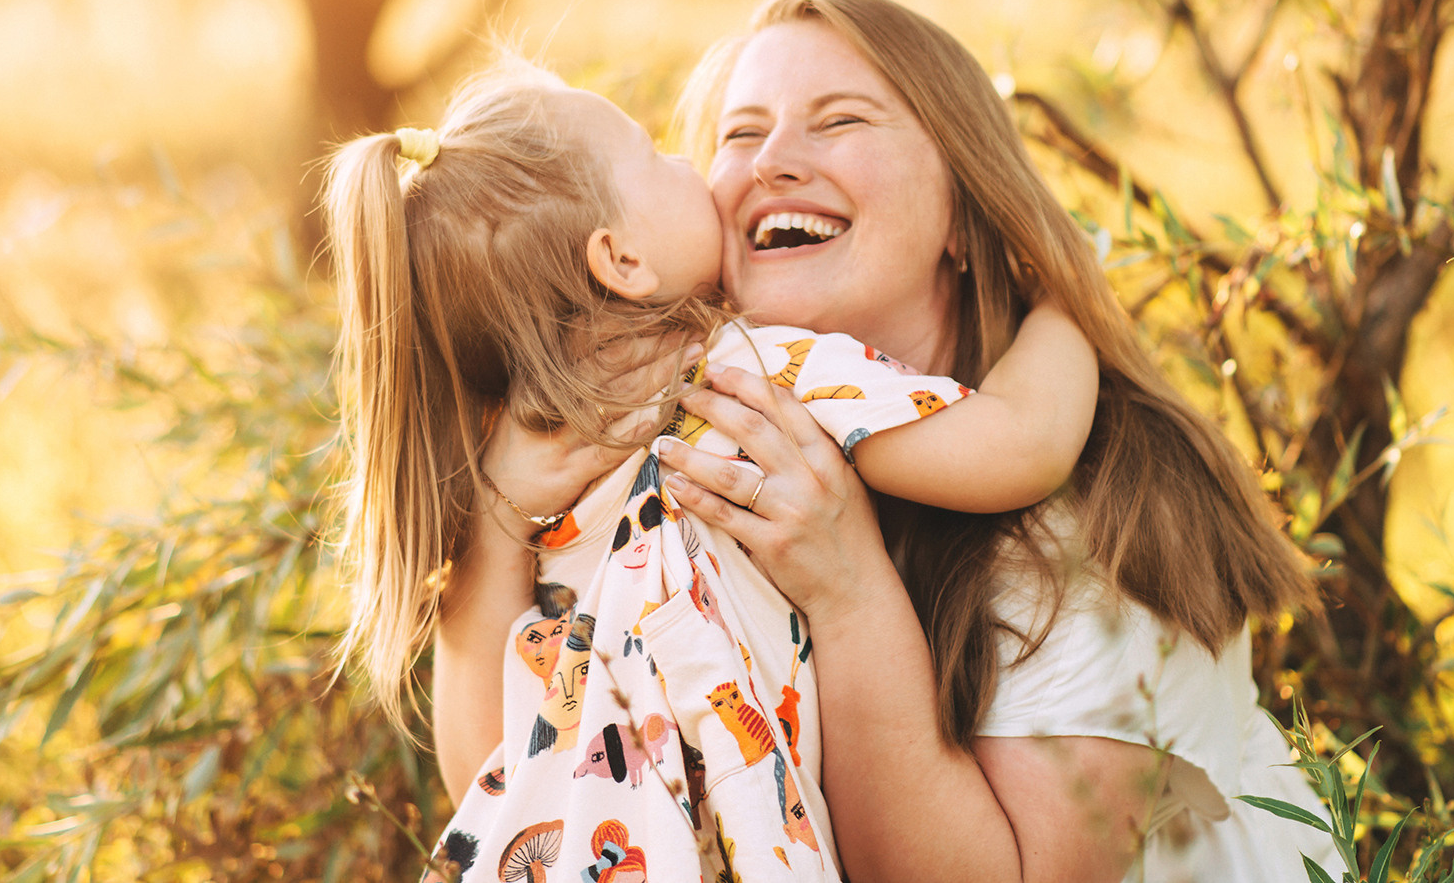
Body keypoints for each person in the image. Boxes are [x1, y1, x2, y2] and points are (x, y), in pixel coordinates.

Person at [320, 60, 1101, 881]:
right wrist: (1065, 299)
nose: (689, 165)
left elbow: (490, 776)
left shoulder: (542, 486)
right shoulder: (748, 370)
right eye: (655, 156)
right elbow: (1016, 445)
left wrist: (492, 517)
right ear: (620, 261)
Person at [644, 0, 1343, 881]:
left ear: (964, 220)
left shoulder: (1102, 506)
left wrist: (850, 590)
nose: (772, 159)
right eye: (740, 133)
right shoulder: (710, 450)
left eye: (840, 120)